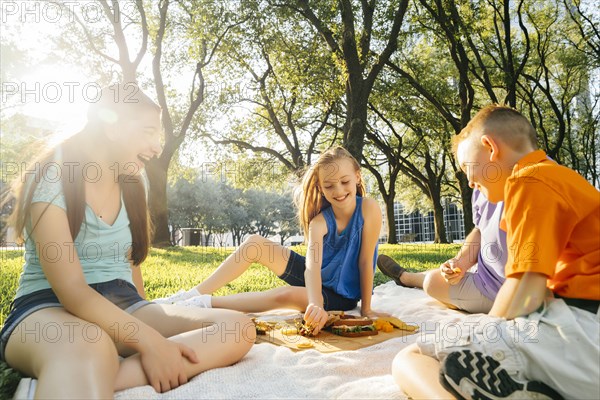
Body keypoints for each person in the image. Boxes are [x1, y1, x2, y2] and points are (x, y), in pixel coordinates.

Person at [0, 83, 255, 398]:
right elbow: (73, 293)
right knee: (92, 345)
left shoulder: (137, 181)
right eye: (148, 132)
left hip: (123, 303)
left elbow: (129, 261)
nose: (156, 146)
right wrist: (149, 341)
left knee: (237, 328)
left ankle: (83, 377)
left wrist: (149, 325)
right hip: (47, 306)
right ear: (112, 127)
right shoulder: (53, 179)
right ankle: (80, 369)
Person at [392, 105, 599, 399]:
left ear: (489, 147)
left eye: (466, 168)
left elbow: (525, 290)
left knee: (411, 356)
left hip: (584, 336)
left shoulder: (529, 181)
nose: (468, 181)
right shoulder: (557, 178)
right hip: (579, 334)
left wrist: (483, 333)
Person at [159, 146, 385, 335]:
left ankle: (203, 305)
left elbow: (366, 262)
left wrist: (366, 309)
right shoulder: (319, 222)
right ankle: (191, 295)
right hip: (317, 282)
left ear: (357, 176)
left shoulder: (369, 209)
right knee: (255, 244)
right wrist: (315, 304)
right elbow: (311, 268)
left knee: (285, 295)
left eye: (345, 182)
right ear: (320, 187)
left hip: (342, 296)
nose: (338, 191)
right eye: (329, 186)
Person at [377, 188, 506, 314]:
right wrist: (460, 262)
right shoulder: (480, 187)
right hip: (486, 272)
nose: (471, 184)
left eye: (469, 167)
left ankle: (406, 278)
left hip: (501, 291)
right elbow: (480, 230)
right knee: (445, 274)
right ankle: (406, 277)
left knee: (432, 282)